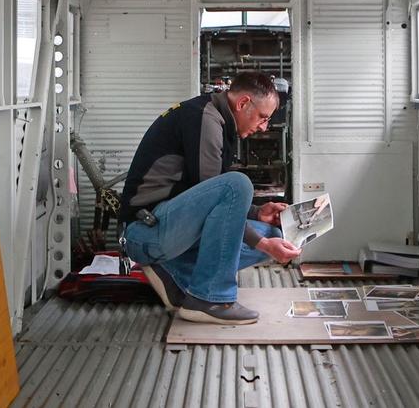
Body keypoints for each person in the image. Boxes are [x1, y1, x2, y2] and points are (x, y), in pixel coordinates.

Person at [119, 71, 302, 324]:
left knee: (275, 234)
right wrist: (262, 244)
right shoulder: (204, 118)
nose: (264, 127)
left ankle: (174, 272)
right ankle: (209, 300)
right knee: (238, 185)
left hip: (168, 227)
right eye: (263, 117)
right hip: (145, 232)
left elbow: (210, 201)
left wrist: (257, 213)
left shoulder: (218, 119)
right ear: (243, 103)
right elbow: (220, 191)